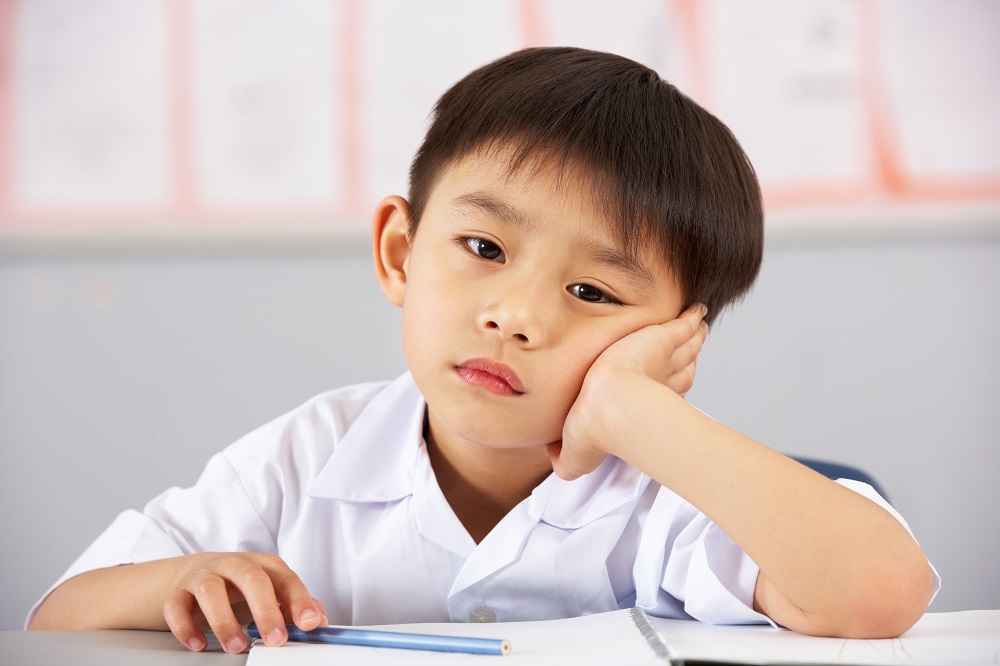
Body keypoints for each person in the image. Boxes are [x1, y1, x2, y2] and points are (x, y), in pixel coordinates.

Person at [28, 47, 937, 652]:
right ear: (398, 252)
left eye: (593, 293)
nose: (515, 317)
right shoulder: (303, 460)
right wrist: (181, 580)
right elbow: (57, 621)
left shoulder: (666, 500)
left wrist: (629, 410)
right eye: (486, 250)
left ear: (674, 338)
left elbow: (877, 592)